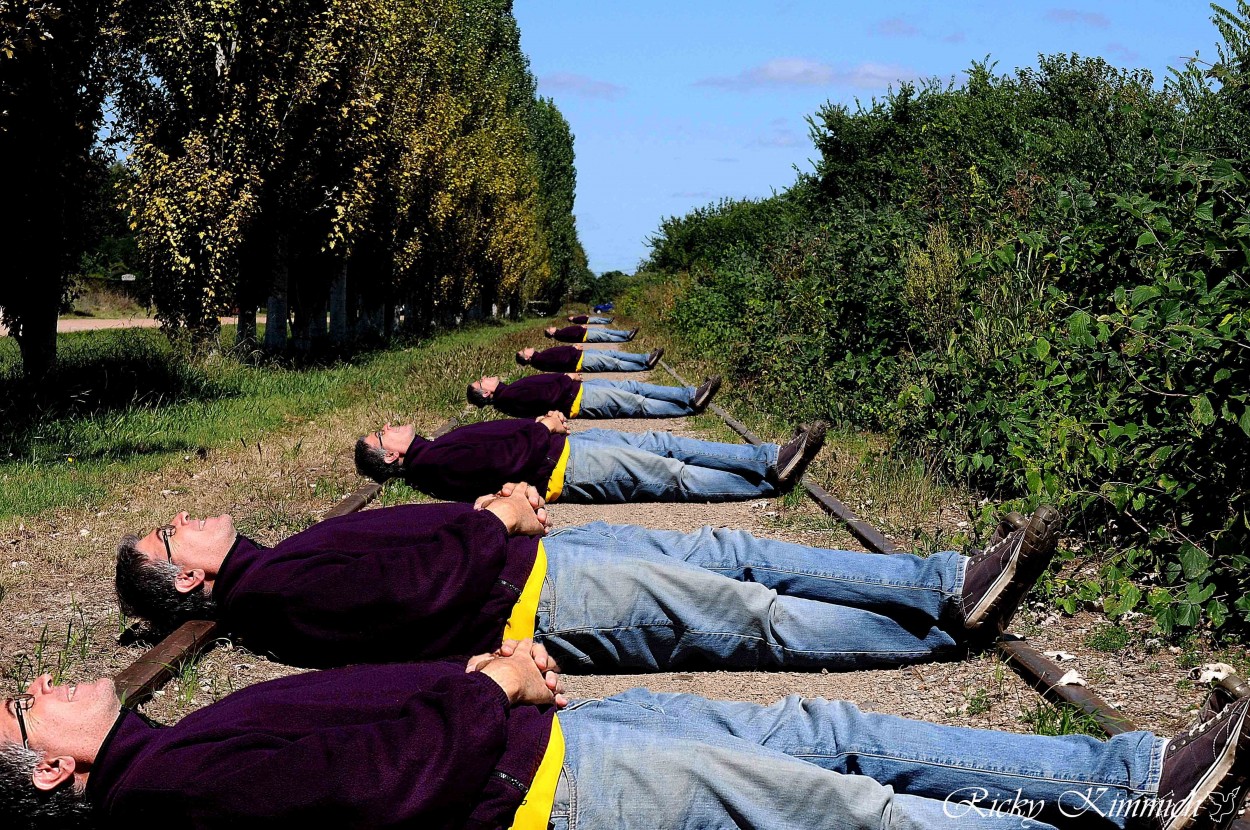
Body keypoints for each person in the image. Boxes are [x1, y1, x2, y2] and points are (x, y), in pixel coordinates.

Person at [4, 643, 1249, 829]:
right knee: (844, 813)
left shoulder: (175, 749)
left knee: (821, 736)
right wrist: (486, 686)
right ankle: (1133, 800)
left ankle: (1119, 771)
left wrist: (490, 685)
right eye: (22, 705)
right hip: (554, 781)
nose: (46, 678)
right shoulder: (169, 788)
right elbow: (377, 776)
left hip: (546, 735)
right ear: (55, 765)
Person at [112, 484, 1061, 671]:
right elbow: (414, 596)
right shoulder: (275, 592)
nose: (186, 517)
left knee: (730, 558)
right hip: (541, 593)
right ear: (189, 583)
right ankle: (941, 624)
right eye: (170, 535)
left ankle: (939, 580)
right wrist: (489, 523)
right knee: (748, 616)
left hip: (539, 563)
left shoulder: (273, 566)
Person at [353, 415, 826, 503]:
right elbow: (499, 460)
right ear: (390, 454)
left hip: (562, 450)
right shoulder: (432, 464)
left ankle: (767, 458)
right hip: (565, 465)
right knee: (672, 475)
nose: (390, 424)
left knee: (666, 447)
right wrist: (541, 428)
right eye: (382, 432)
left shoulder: (431, 452)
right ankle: (768, 480)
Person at [466, 373, 721, 419]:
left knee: (634, 389)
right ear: (485, 392)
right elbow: (546, 397)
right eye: (482, 380)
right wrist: (566, 380)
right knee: (637, 403)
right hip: (578, 397)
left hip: (577, 391)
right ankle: (689, 405)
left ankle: (689, 395)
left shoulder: (507, 393)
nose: (486, 376)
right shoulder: (508, 397)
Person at [516, 345, 663, 373]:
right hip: (581, 360)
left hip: (580, 357)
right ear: (527, 356)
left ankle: (645, 358)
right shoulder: (540, 360)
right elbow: (561, 362)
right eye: (524, 350)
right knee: (615, 363)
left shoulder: (539, 358)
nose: (527, 347)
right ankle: (645, 364)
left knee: (613, 356)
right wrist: (573, 351)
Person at [544, 324, 636, 343]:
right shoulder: (559, 335)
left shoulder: (559, 333)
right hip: (586, 335)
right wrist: (580, 329)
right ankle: (626, 337)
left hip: (586, 333)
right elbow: (574, 335)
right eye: (549, 328)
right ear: (551, 333)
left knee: (607, 332)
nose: (551, 327)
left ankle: (627, 334)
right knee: (607, 336)